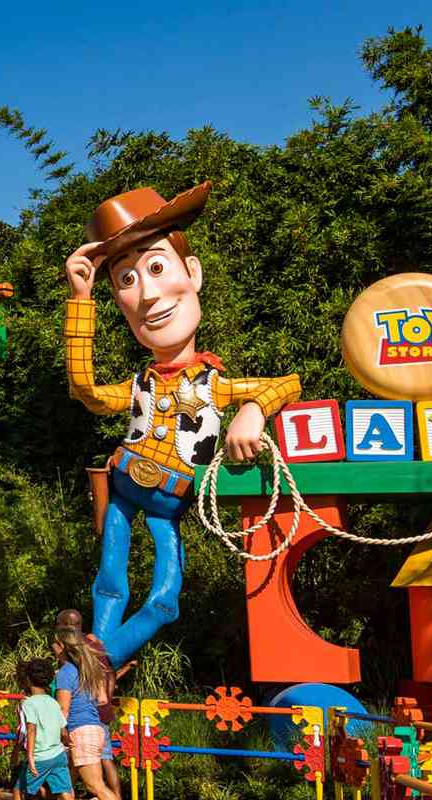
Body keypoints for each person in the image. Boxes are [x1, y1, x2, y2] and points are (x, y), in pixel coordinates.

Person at [63, 184, 300, 666]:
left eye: (155, 268)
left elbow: (286, 383)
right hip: (125, 483)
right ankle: (98, 659)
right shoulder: (137, 385)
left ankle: (102, 662)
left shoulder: (214, 384)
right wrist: (80, 299)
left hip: (170, 498)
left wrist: (253, 410)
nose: (148, 294)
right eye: (127, 280)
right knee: (109, 580)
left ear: (191, 273)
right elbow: (86, 391)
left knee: (165, 597)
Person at [0, 658, 98, 800]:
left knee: (20, 791)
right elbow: (63, 730)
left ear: (28, 680)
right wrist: (67, 743)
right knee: (66, 794)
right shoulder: (53, 702)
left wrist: (29, 756)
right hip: (58, 755)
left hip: (40, 756)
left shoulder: (29, 704)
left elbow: (30, 730)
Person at [52, 628, 141, 800]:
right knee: (68, 781)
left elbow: (63, 710)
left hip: (79, 731)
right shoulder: (89, 669)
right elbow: (102, 699)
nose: (51, 650)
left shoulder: (65, 671)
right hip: (94, 729)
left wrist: (55, 733)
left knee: (95, 786)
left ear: (62, 647)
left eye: (53, 645)